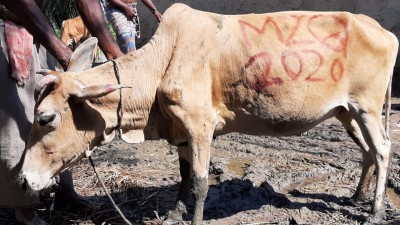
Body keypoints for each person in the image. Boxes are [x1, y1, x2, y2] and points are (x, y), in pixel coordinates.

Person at [0, 0, 123, 224]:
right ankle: (23, 209)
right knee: (20, 118)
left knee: (60, 114)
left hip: (37, 31)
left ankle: (65, 191)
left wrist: (114, 53)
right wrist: (67, 57)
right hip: (6, 29)